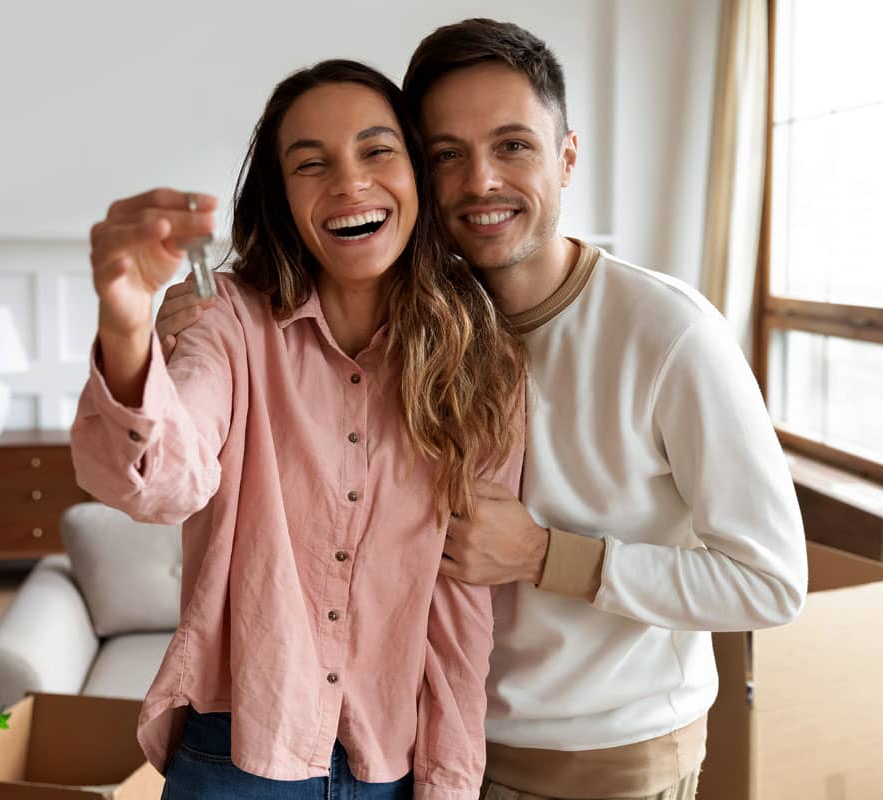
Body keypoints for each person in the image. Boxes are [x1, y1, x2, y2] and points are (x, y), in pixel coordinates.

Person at [157, 20, 809, 800]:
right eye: (445, 157)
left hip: (603, 763)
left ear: (567, 156)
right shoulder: (407, 332)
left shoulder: (668, 331)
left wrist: (543, 554)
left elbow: (769, 582)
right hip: (430, 753)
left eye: (513, 147)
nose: (479, 183)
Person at [71, 59, 525, 800]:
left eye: (377, 151)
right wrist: (126, 325)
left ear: (417, 175)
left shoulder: (483, 358)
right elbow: (164, 484)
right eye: (310, 164)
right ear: (282, 200)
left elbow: (461, 606)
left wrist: (449, 784)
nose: (349, 184)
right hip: (238, 754)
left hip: (393, 764)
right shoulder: (225, 323)